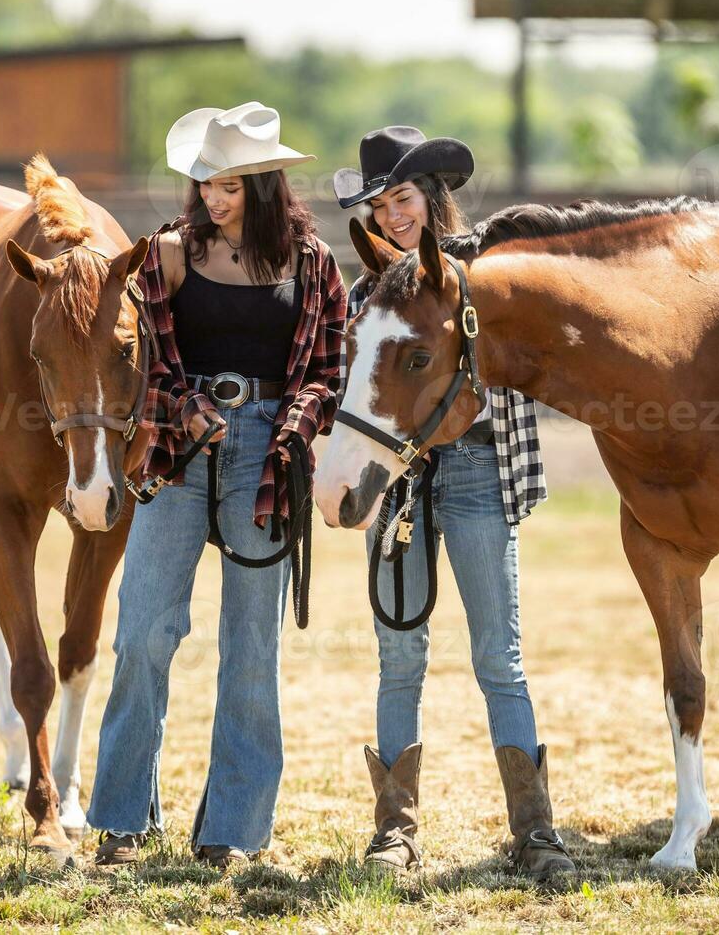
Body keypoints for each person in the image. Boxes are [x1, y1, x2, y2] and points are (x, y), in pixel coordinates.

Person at [86, 102, 348, 870]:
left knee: (250, 647)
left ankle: (231, 827)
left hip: (268, 454)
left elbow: (328, 371)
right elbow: (141, 362)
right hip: (176, 451)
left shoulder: (312, 262)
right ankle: (124, 818)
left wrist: (298, 422)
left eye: (229, 186)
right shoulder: (168, 254)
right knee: (142, 632)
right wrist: (184, 406)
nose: (211, 199)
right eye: (205, 184)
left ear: (264, 185)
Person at [333, 126, 573, 879]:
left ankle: (535, 831)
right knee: (399, 654)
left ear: (432, 194)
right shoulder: (367, 288)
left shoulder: (488, 277)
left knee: (498, 656)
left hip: (475, 470)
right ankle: (395, 831)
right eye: (379, 206)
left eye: (401, 198)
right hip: (398, 479)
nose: (391, 217)